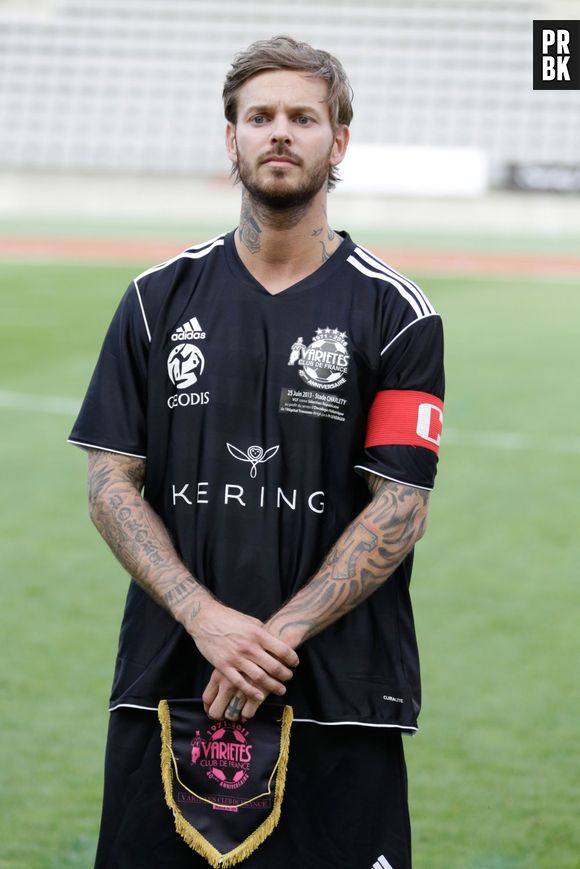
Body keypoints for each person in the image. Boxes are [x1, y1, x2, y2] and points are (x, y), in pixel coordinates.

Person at [70, 34, 444, 869]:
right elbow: (109, 482)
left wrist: (270, 638)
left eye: (302, 117)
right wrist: (206, 619)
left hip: (338, 695)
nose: (280, 132)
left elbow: (401, 503)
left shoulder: (401, 315)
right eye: (260, 116)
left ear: (337, 141)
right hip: (172, 685)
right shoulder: (154, 301)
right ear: (230, 137)